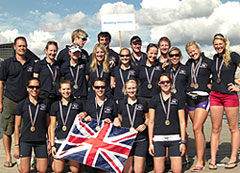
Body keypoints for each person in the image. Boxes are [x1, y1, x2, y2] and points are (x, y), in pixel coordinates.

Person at [0, 36, 34, 167]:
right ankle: (8, 157)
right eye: (19, 46)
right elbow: (1, 83)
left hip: (26, 102)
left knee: (26, 130)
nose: (22, 48)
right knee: (7, 130)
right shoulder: (7, 63)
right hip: (10, 100)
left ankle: (25, 157)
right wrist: (0, 102)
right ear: (15, 47)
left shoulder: (31, 64)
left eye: (24, 46)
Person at [209, 34, 240, 169]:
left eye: (220, 43)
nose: (218, 46)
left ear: (225, 43)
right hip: (215, 96)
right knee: (215, 128)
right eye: (216, 44)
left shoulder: (233, 55)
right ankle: (213, 160)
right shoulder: (215, 58)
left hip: (229, 96)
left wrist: (238, 86)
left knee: (233, 128)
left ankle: (233, 158)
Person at [148, 73, 186, 173]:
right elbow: (151, 122)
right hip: (159, 138)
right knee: (158, 171)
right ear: (159, 84)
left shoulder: (178, 99)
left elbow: (182, 122)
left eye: (167, 82)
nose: (165, 84)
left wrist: (183, 141)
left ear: (171, 83)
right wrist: (151, 143)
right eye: (162, 82)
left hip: (174, 138)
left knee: (177, 170)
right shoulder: (154, 99)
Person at [185, 41, 213, 171]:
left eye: (194, 50)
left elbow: (218, 73)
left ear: (198, 48)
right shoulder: (188, 64)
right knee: (198, 130)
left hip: (203, 97)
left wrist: (213, 83)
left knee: (196, 127)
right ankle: (203, 157)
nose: (192, 53)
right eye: (189, 52)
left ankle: (200, 160)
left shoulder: (208, 61)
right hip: (190, 98)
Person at [13, 78, 49, 173]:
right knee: (24, 171)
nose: (34, 89)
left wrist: (49, 141)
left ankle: (33, 161)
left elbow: (48, 125)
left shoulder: (44, 104)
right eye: (31, 87)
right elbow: (17, 126)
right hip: (25, 140)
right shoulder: (21, 104)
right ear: (27, 88)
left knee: (42, 170)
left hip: (40, 141)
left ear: (40, 89)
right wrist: (17, 146)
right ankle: (20, 163)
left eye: (37, 87)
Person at [83, 77, 117, 172]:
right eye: (97, 87)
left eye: (102, 87)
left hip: (105, 140)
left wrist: (113, 121)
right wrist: (86, 118)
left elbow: (117, 118)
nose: (100, 89)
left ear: (106, 88)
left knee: (102, 168)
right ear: (93, 88)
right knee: (90, 168)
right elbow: (83, 117)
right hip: (92, 141)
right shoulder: (88, 102)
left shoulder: (111, 102)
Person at [50, 80, 85, 173]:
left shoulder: (77, 103)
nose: (66, 91)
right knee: (58, 170)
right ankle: (56, 161)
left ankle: (75, 162)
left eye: (68, 89)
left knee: (75, 170)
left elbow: (85, 115)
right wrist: (52, 144)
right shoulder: (55, 105)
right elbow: (52, 126)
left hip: (73, 140)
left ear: (72, 90)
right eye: (64, 89)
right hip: (60, 139)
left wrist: (85, 113)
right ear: (59, 90)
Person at [114, 79, 148, 173]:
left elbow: (148, 118)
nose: (131, 90)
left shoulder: (143, 102)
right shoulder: (121, 103)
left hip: (140, 139)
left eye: (133, 88)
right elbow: (119, 118)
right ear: (125, 89)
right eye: (129, 88)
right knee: (127, 170)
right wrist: (116, 120)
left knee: (138, 170)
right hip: (126, 140)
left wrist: (145, 124)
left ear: (137, 88)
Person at [33, 41, 60, 105]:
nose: (53, 53)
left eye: (55, 51)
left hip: (56, 97)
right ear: (46, 50)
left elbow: (61, 81)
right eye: (51, 50)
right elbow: (35, 81)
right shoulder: (39, 64)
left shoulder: (58, 65)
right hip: (43, 97)